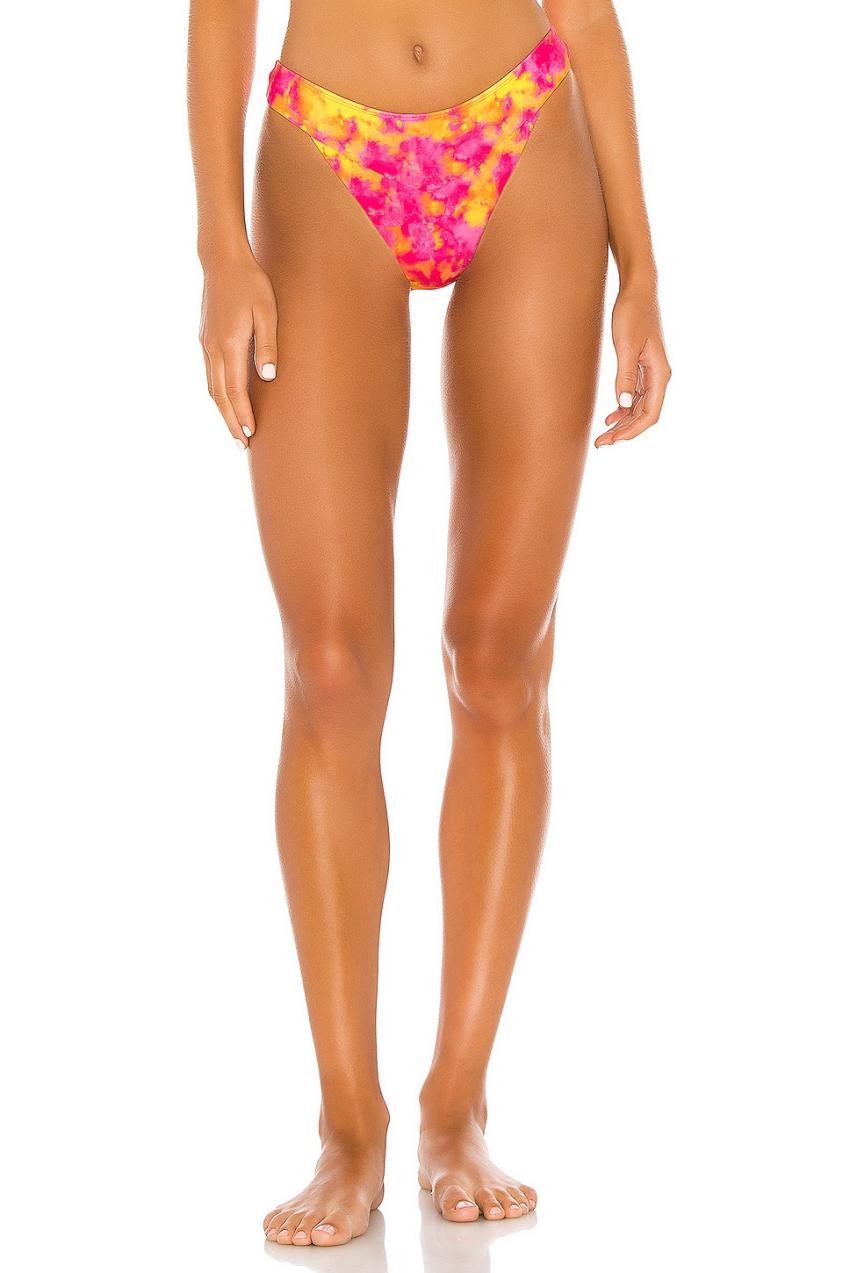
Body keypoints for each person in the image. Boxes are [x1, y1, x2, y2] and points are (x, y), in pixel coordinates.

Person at [188, 0, 670, 1249]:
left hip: (525, 132)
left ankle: (457, 1104)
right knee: (331, 669)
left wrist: (643, 266)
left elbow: (588, 11)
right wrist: (220, 247)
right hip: (326, 148)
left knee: (498, 661)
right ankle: (348, 1122)